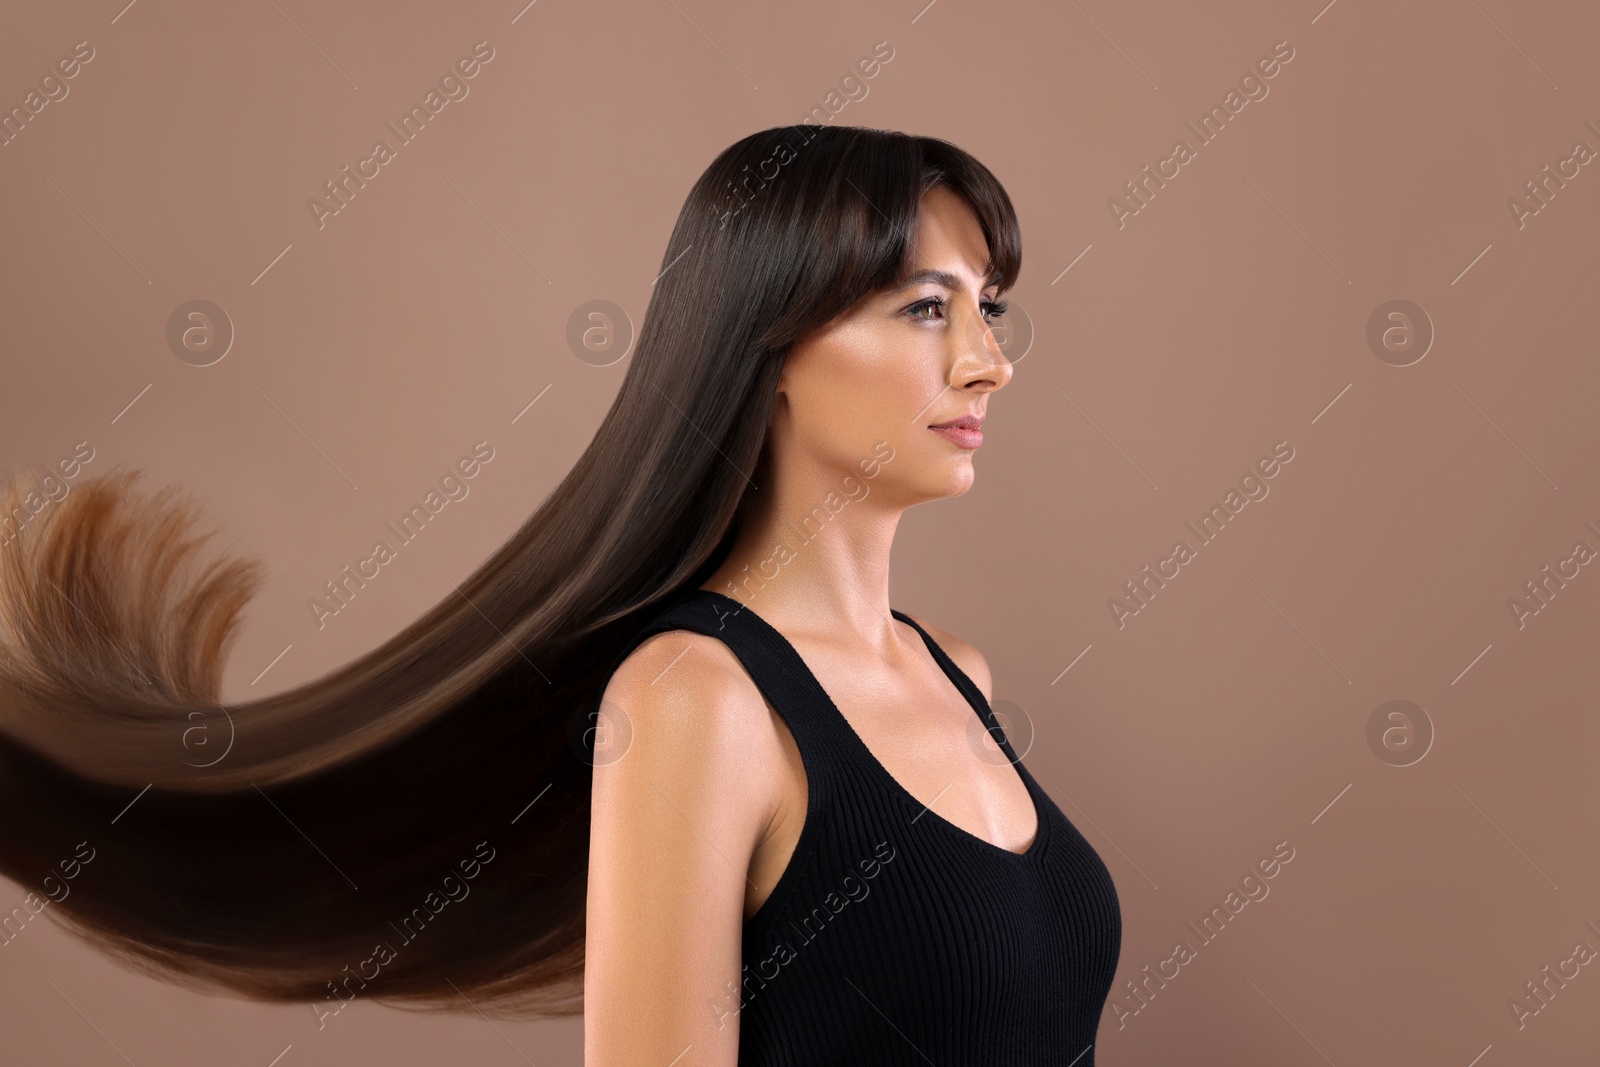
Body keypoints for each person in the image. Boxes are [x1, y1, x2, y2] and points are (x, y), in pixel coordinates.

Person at [0, 124, 1120, 1064]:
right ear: (772, 341)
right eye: (928, 308)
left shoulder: (957, 675)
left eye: (990, 307)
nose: (989, 360)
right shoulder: (696, 701)